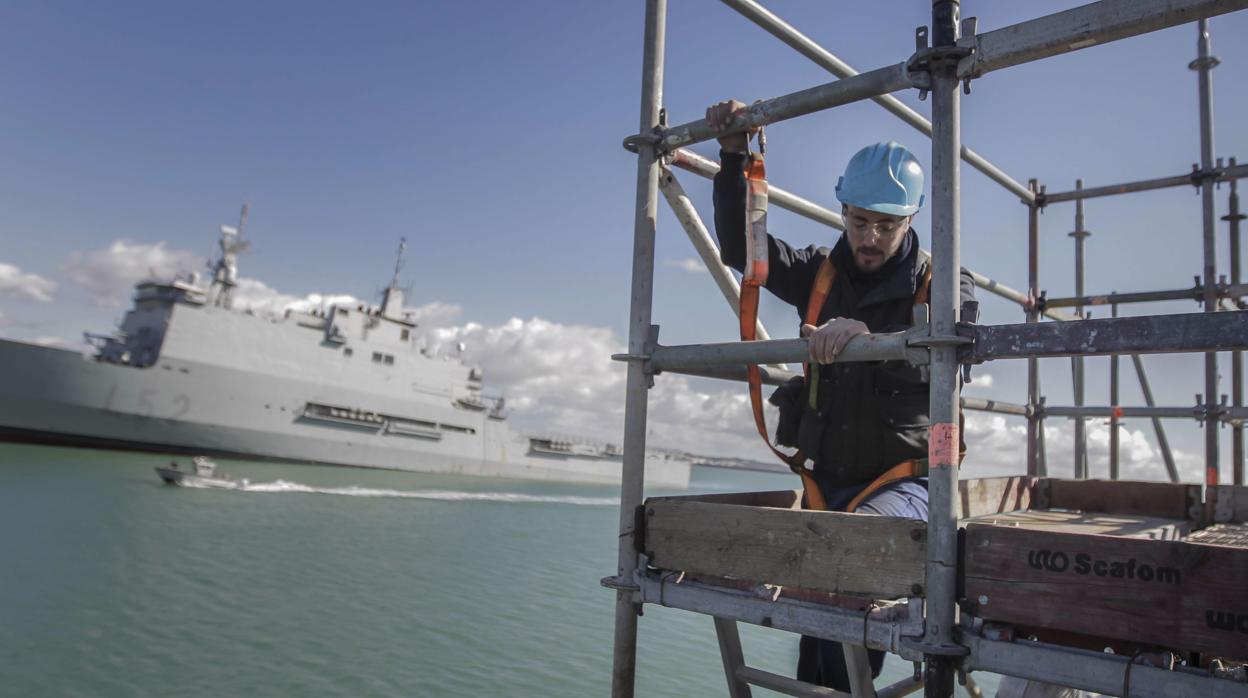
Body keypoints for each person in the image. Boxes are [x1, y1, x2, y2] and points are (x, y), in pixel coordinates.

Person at [707, 99, 975, 691]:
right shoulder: (819, 275)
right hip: (830, 482)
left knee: (843, 567)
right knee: (823, 629)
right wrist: (734, 158)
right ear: (843, 212)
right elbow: (743, 254)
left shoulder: (944, 281)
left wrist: (868, 338)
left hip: (908, 481)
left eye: (887, 224)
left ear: (911, 219)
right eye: (859, 223)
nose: (871, 238)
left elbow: (949, 355)